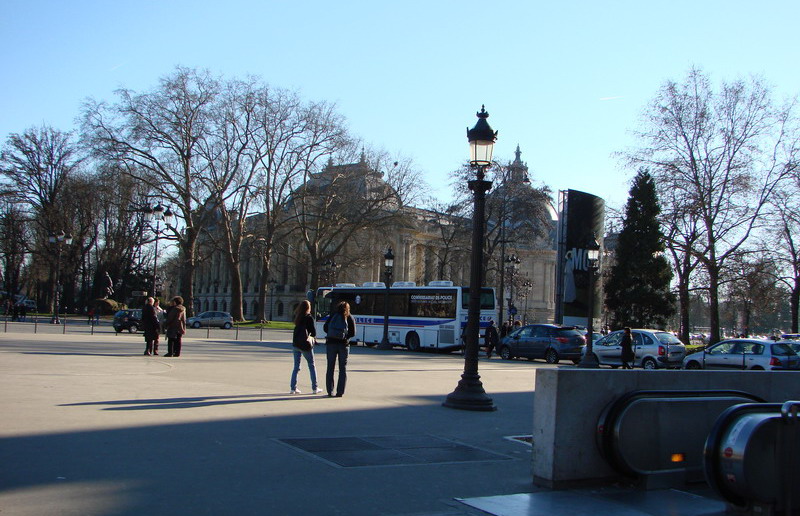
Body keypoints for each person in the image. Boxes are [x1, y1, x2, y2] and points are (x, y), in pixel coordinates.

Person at [323, 301, 355, 397]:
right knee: (342, 369)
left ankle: (330, 390)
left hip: (331, 344)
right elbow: (353, 333)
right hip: (343, 345)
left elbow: (325, 327)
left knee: (330, 367)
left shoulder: (333, 316)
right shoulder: (349, 317)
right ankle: (340, 391)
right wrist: (345, 337)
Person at [290, 300, 322, 395]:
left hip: (296, 344)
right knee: (311, 365)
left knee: (296, 367)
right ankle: (314, 387)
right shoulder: (309, 318)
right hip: (305, 344)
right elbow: (313, 332)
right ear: (308, 308)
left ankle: (293, 388)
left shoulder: (298, 317)